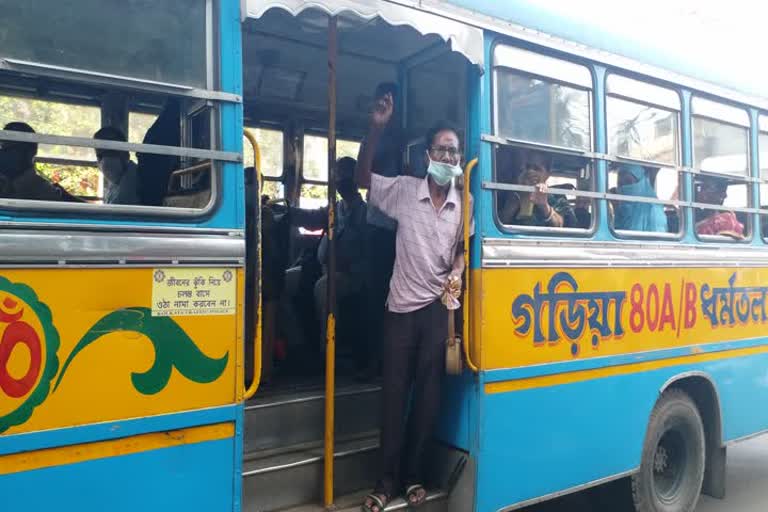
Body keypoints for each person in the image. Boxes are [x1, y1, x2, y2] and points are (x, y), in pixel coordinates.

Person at [357, 92, 471, 512]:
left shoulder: (464, 204)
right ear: (428, 156)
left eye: (454, 150)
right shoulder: (405, 191)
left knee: (428, 400)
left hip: (439, 311)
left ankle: (414, 477)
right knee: (393, 396)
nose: (448, 155)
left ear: (460, 158)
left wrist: (457, 271)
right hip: (401, 309)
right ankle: (385, 483)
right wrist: (377, 129)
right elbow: (363, 181)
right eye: (441, 149)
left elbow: (463, 249)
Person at [280, 157, 369, 359]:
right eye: (337, 175)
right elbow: (309, 219)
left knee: (324, 288)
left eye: (344, 175)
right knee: (282, 282)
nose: (339, 181)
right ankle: (298, 344)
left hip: (350, 274)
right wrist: (283, 210)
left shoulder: (365, 214)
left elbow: (364, 253)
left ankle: (327, 353)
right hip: (322, 268)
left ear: (355, 180)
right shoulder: (334, 208)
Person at [359, 82, 407, 380]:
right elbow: (363, 177)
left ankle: (382, 364)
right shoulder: (376, 135)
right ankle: (375, 362)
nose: (386, 105)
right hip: (377, 226)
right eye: (382, 99)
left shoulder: (402, 140)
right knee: (374, 296)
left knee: (386, 300)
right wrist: (376, 127)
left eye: (391, 101)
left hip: (396, 230)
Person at [0, 122, 80, 202]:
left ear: (30, 153)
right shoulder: (7, 181)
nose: (2, 153)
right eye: (2, 147)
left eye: (7, 149)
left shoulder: (39, 188)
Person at [497, 149, 576, 228]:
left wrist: (544, 206)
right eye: (528, 167)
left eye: (536, 168)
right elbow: (498, 224)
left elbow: (562, 226)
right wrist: (513, 202)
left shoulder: (558, 198)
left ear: (547, 174)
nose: (530, 171)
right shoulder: (512, 195)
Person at [613, 164, 667, 233]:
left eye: (628, 181)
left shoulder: (653, 209)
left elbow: (658, 240)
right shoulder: (622, 208)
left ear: (641, 183)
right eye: (620, 183)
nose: (624, 187)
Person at [93, 126, 140, 205]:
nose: (102, 161)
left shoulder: (130, 183)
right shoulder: (118, 180)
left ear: (125, 154)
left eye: (110, 153)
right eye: (99, 155)